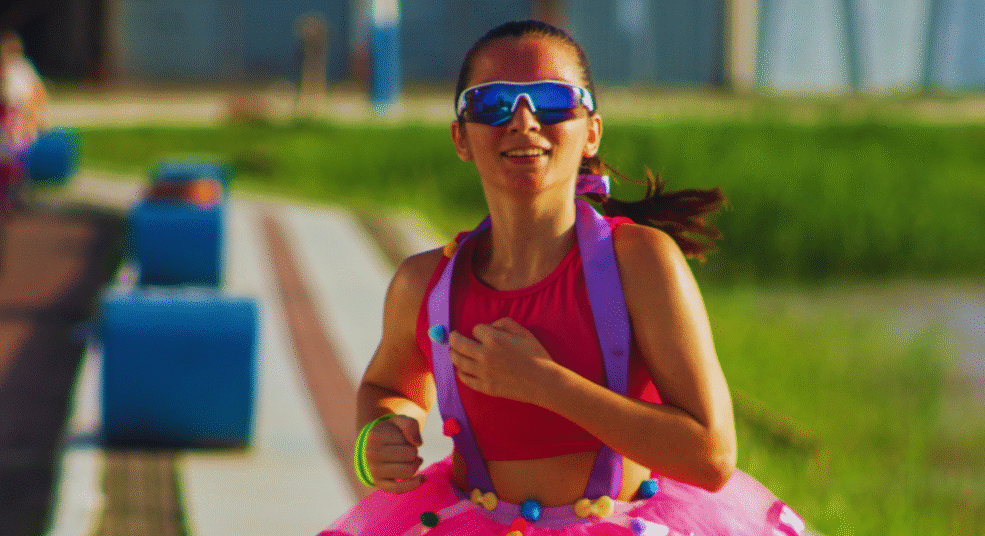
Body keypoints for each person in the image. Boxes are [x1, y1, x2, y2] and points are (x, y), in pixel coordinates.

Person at [320, 20, 805, 536]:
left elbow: (710, 455)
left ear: (591, 131)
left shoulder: (638, 264)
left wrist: (547, 384)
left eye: (552, 101)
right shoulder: (426, 285)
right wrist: (380, 432)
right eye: (492, 104)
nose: (524, 121)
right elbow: (386, 385)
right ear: (460, 136)